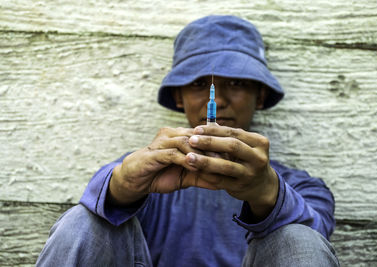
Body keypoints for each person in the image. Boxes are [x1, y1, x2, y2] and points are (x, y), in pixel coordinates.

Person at [36, 15, 339, 266]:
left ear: (260, 95)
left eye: (236, 82)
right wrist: (120, 186)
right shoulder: (153, 170)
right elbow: (96, 201)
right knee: (84, 221)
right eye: (199, 84)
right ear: (178, 97)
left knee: (299, 236)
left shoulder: (299, 187)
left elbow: (312, 245)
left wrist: (267, 193)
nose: (218, 100)